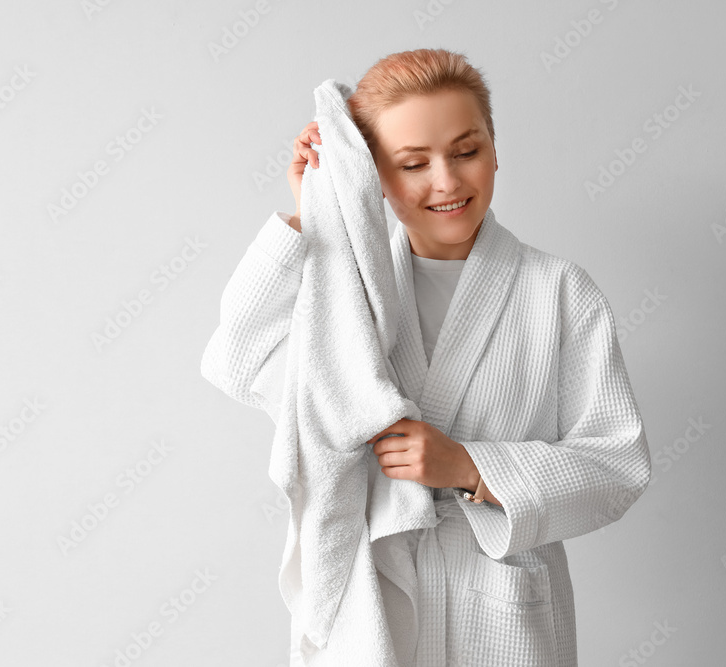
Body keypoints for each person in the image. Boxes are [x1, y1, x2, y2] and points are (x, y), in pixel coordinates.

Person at [201, 48, 650, 667]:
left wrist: (470, 467)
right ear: (375, 177)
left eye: (466, 151)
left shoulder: (559, 292)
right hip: (373, 598)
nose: (446, 181)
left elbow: (617, 466)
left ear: (495, 150)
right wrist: (312, 213)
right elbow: (235, 360)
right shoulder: (345, 294)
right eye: (412, 163)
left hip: (503, 608)